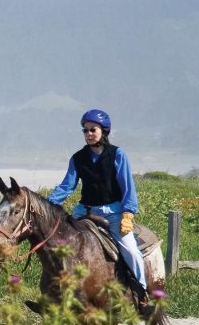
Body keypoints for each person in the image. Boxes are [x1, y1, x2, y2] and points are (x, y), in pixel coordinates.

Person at [47, 108, 147, 304]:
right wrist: (47, 205)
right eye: (85, 130)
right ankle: (57, 293)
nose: (89, 134)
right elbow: (67, 186)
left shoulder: (118, 154)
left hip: (113, 213)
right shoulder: (78, 158)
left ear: (104, 131)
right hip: (84, 211)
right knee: (61, 246)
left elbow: (128, 186)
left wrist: (128, 213)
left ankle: (142, 292)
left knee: (131, 250)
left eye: (93, 130)